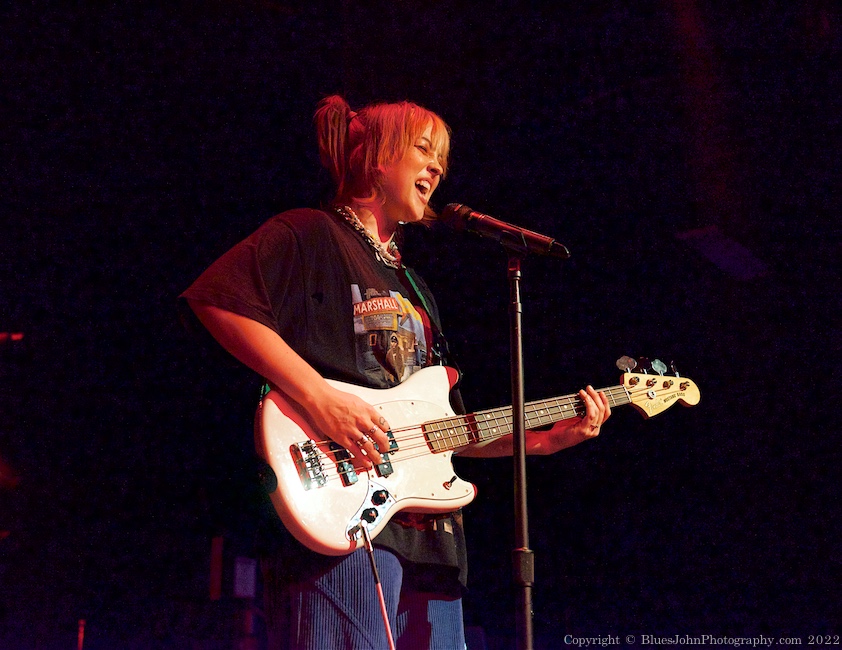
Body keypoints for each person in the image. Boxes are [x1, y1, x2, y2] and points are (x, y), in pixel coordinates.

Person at [181, 95, 611, 650]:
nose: (436, 168)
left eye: (443, 160)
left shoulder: (416, 288)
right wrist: (319, 400)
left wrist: (542, 442)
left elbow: (442, 430)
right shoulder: (310, 233)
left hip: (431, 546)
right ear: (377, 159)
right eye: (423, 150)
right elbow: (217, 300)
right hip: (341, 521)